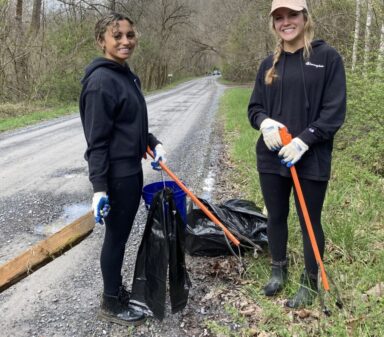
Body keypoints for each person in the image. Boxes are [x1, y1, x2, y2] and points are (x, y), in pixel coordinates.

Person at [248, 0, 346, 308]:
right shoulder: (268, 64)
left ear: (305, 17)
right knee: (276, 215)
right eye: (279, 17)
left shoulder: (327, 58)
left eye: (292, 15)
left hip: (310, 157)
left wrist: (303, 141)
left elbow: (334, 112)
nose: (286, 21)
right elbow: (254, 108)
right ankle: (278, 269)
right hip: (272, 156)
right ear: (273, 23)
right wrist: (263, 123)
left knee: (309, 219)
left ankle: (309, 280)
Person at [79, 12, 167, 325]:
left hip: (132, 171)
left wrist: (152, 142)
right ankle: (111, 302)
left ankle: (116, 291)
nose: (126, 41)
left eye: (129, 35)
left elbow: (129, 124)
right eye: (117, 36)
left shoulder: (125, 74)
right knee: (116, 240)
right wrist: (99, 188)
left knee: (122, 237)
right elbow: (98, 143)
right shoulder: (101, 82)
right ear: (101, 40)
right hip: (116, 176)